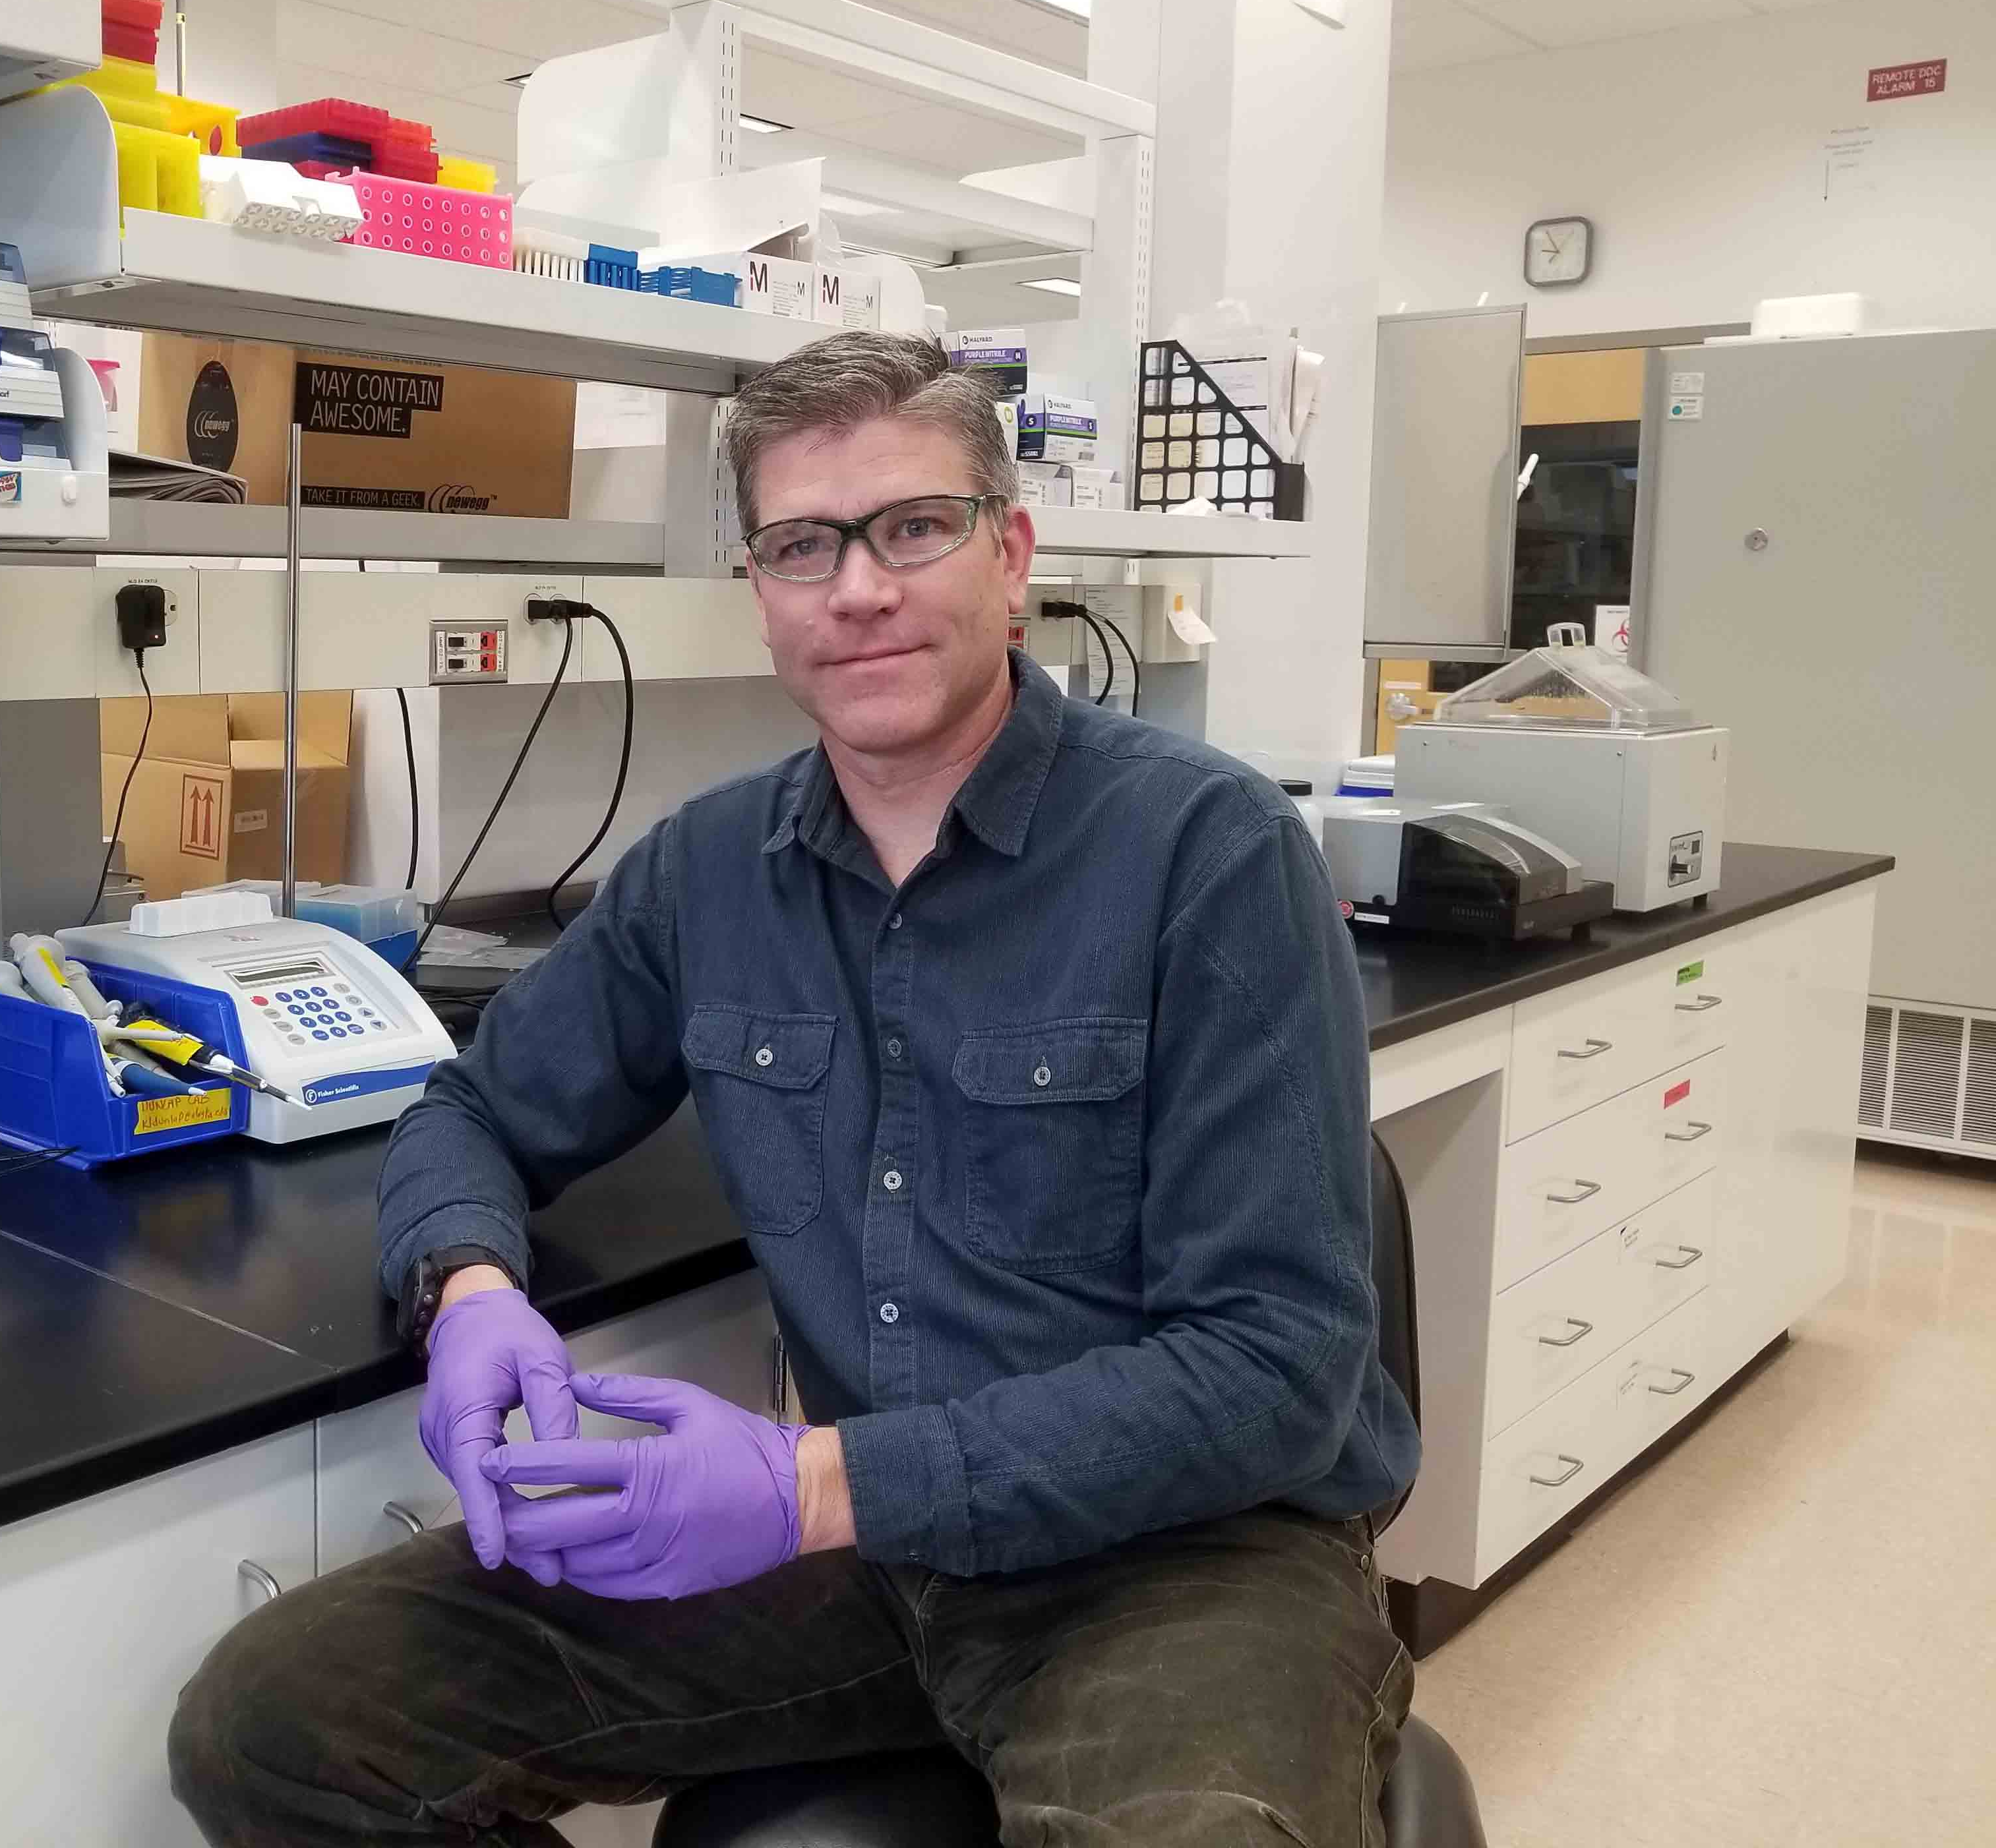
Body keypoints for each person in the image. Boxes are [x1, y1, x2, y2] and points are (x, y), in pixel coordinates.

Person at [169, 332, 1420, 1846]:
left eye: (914, 527)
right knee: (286, 1721)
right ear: (759, 591)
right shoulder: (707, 871)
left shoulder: (1206, 855)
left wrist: (812, 1486)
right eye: (802, 545)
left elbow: (1275, 1368)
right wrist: (473, 1287)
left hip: (1185, 1557)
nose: (860, 588)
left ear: (1010, 554)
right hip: (859, 1552)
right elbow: (472, 1111)